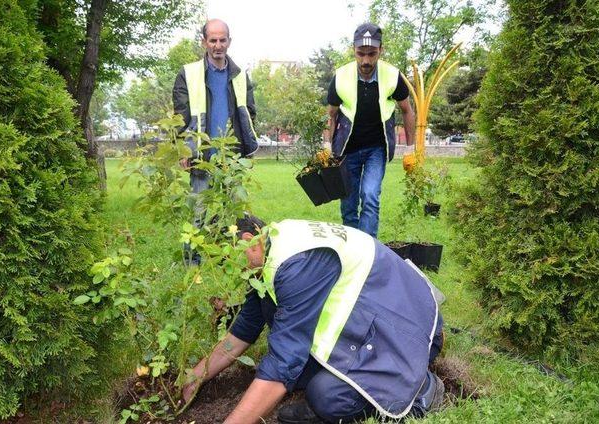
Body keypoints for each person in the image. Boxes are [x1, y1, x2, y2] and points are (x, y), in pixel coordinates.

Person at [182, 216, 445, 423]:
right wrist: (196, 376)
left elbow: (284, 362)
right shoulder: (272, 251)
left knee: (327, 397)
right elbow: (244, 329)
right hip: (375, 314)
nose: (230, 271)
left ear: (250, 241)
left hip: (404, 330)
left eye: (227, 261)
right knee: (293, 367)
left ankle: (422, 387)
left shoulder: (296, 265)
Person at [327, 23, 416, 238]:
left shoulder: (393, 75)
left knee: (370, 196)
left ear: (381, 50)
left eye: (372, 54)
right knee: (349, 205)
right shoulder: (340, 76)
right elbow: (331, 114)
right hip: (347, 151)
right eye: (361, 54)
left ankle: (368, 252)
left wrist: (410, 147)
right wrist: (327, 147)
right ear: (353, 50)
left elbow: (407, 109)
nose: (366, 61)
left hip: (376, 149)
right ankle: (352, 251)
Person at [173, 18, 258, 194]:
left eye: (222, 40)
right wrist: (183, 150)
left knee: (234, 216)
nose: (218, 45)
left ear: (229, 41)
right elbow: (180, 115)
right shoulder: (187, 74)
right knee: (199, 215)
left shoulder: (240, 76)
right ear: (204, 42)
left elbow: (249, 114)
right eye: (213, 40)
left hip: (233, 158)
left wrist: (249, 149)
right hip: (201, 156)